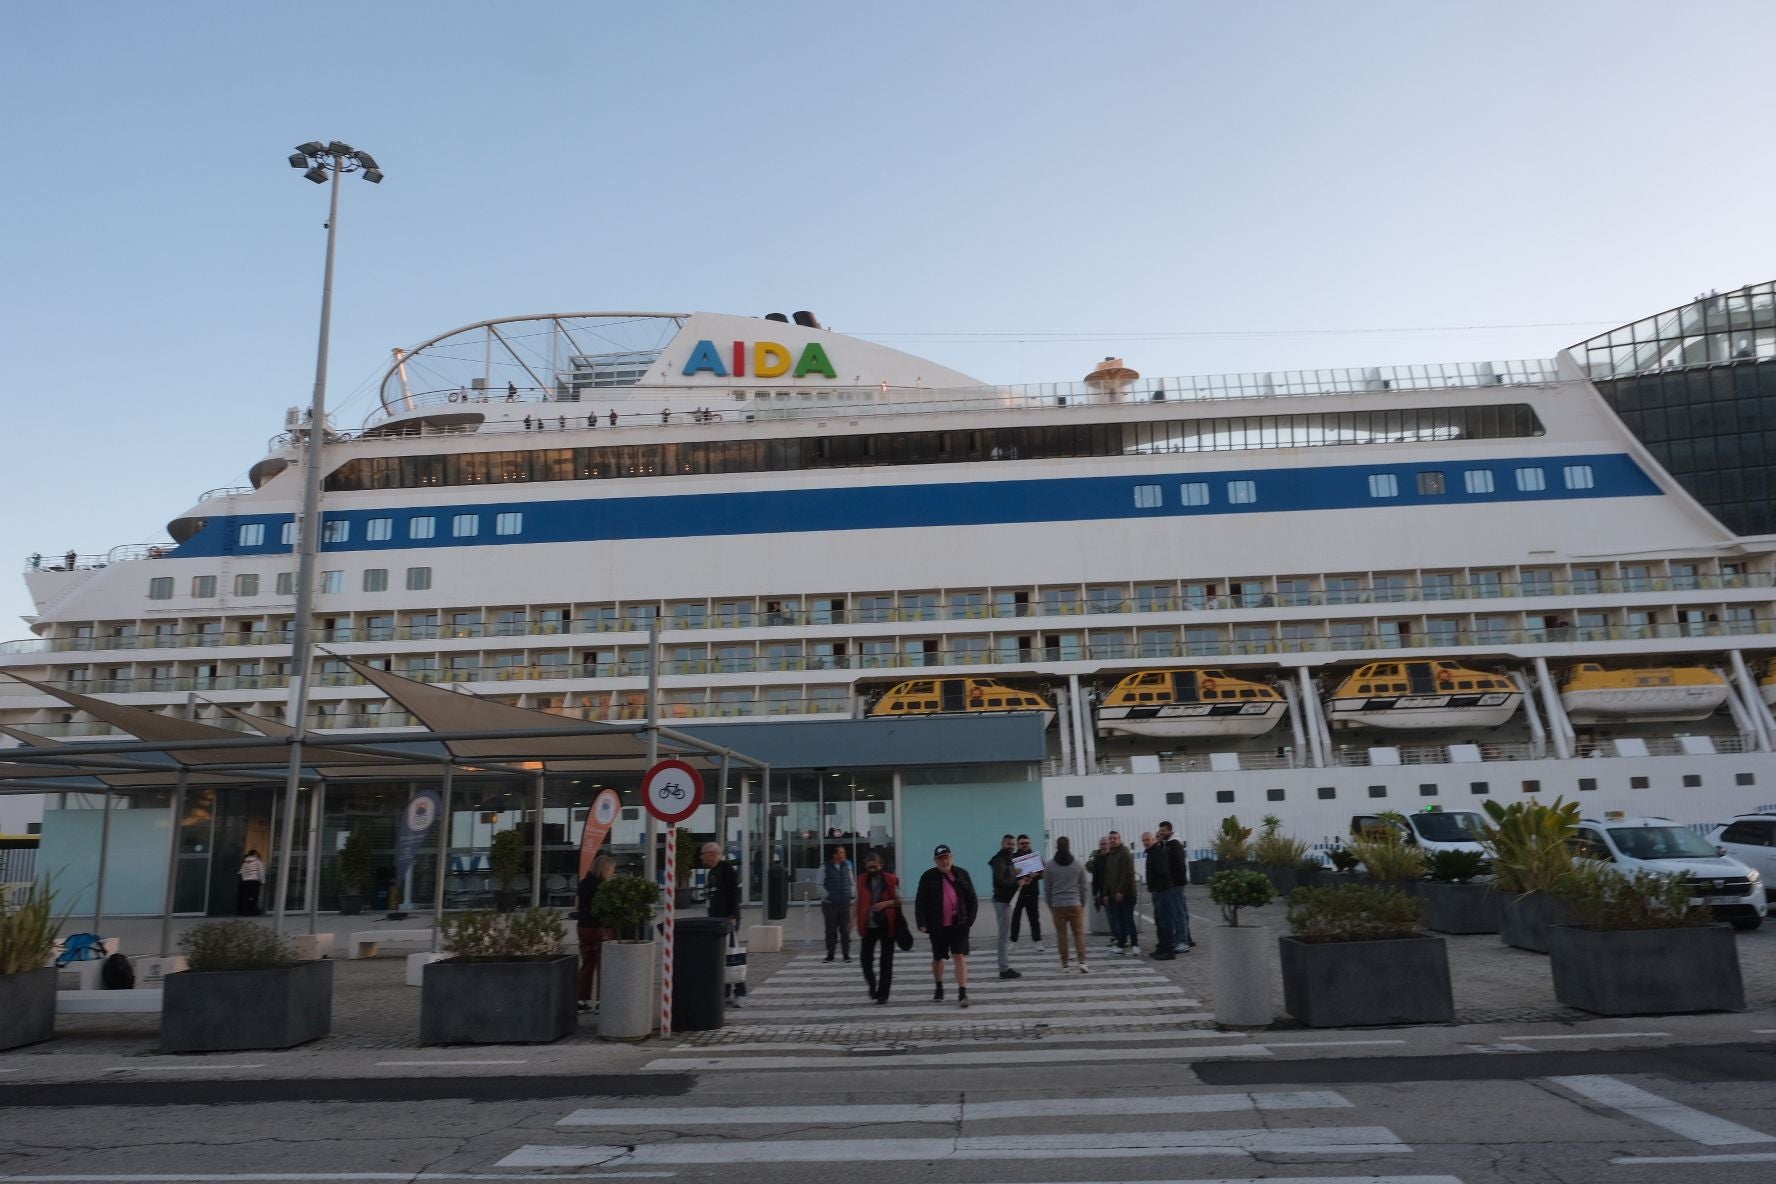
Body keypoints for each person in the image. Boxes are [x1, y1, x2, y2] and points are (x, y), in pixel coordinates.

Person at [914, 844, 977, 1008]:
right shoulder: (928, 877)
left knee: (959, 956)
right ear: (936, 860)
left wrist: (970, 920)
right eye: (941, 858)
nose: (944, 861)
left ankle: (962, 993)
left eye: (947, 857)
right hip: (937, 925)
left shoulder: (962, 874)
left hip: (959, 924)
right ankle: (939, 986)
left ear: (952, 857)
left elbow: (972, 898)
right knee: (938, 958)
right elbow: (920, 901)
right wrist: (921, 922)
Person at [700, 841, 746, 1006]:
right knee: (721, 957)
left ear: (712, 854)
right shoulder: (712, 872)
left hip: (728, 919)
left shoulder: (727, 870)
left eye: (703, 854)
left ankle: (740, 992)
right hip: (715, 919)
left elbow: (734, 893)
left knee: (732, 955)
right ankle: (726, 992)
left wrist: (732, 915)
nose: (701, 857)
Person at [855, 849, 901, 1004]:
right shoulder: (861, 880)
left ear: (881, 865)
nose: (872, 869)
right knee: (865, 959)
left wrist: (885, 903)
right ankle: (872, 983)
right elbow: (858, 901)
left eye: (875, 866)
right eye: (869, 867)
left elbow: (899, 901)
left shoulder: (890, 880)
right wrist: (852, 919)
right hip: (868, 925)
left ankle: (883, 994)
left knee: (886, 960)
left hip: (887, 924)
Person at [574, 853, 615, 1012]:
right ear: (606, 869)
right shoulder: (604, 886)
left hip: (583, 927)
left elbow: (577, 906)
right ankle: (600, 1002)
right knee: (602, 966)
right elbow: (606, 909)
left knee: (587, 964)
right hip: (600, 928)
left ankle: (581, 1000)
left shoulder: (583, 883)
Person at [1044, 836, 1090, 974]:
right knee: (1078, 933)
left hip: (1058, 905)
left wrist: (1050, 904)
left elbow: (1047, 888)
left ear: (1056, 847)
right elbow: (1084, 888)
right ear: (1069, 846)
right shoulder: (1078, 865)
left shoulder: (1049, 866)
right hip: (1075, 904)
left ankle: (1065, 964)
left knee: (1061, 935)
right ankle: (1082, 962)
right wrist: (1082, 904)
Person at [986, 834, 1024, 980]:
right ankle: (1003, 968)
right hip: (1002, 900)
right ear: (1002, 843)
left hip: (1006, 900)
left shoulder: (1007, 859)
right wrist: (1016, 882)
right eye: (1009, 844)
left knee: (1004, 934)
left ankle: (1004, 966)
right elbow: (999, 881)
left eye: (1013, 844)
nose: (1011, 847)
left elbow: (1006, 876)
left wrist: (1016, 875)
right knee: (1003, 935)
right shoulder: (999, 860)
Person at [1157, 821, 1194, 950]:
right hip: (1175, 884)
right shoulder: (1169, 844)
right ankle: (1184, 938)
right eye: (1160, 830)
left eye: (1163, 830)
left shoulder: (1174, 844)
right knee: (1180, 912)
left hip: (1176, 884)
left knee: (1178, 913)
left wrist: (1174, 883)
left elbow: (1179, 866)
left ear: (1170, 830)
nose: (1161, 833)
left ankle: (1182, 941)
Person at [1141, 831, 1177, 959]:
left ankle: (1168, 951)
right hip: (1158, 891)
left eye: (1148, 840)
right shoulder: (1152, 852)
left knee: (1165, 922)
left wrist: (1155, 885)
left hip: (1163, 891)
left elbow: (1162, 871)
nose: (1146, 842)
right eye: (1144, 840)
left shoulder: (1157, 852)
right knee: (1160, 921)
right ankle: (1162, 947)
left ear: (1153, 840)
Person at [1101, 831, 1137, 955]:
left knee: (1128, 919)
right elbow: (1108, 876)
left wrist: (1121, 891)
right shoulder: (1111, 855)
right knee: (1120, 920)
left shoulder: (1124, 853)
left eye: (1114, 838)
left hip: (1127, 894)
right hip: (1114, 894)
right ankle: (1121, 944)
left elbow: (1127, 874)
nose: (1112, 840)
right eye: (1110, 838)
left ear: (1119, 839)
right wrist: (1106, 893)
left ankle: (1135, 944)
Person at [1008, 834, 1044, 952]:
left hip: (1032, 893)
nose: (1025, 845)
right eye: (1022, 843)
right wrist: (1017, 878)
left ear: (1030, 843)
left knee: (1034, 919)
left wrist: (1036, 875)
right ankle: (1013, 941)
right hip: (1017, 893)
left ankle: (1037, 941)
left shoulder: (1035, 857)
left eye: (1027, 843)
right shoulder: (1012, 857)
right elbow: (1007, 875)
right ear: (1018, 844)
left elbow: (1043, 874)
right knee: (1015, 919)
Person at [820, 845, 855, 962]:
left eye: (844, 852)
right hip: (830, 904)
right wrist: (828, 896)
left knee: (845, 930)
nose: (844, 855)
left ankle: (846, 954)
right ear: (835, 855)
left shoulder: (847, 866)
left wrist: (852, 896)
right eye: (841, 852)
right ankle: (830, 955)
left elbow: (851, 882)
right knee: (831, 930)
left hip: (844, 903)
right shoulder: (825, 867)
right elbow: (819, 884)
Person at [236, 848, 264, 916]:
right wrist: (262, 881)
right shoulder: (258, 861)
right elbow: (261, 872)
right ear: (255, 854)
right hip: (255, 881)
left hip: (246, 881)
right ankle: (254, 911)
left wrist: (244, 878)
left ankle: (245, 911)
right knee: (254, 897)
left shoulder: (245, 862)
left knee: (245, 897)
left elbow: (241, 872)